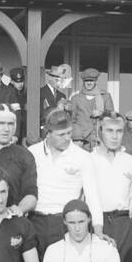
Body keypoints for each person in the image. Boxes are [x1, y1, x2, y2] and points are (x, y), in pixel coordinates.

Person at [30, 108, 104, 252]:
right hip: (35, 221)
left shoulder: (83, 157)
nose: (67, 138)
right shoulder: (33, 153)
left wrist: (98, 230)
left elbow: (92, 196)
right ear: (48, 133)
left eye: (69, 133)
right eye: (61, 134)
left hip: (64, 223)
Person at [88, 112, 132, 250]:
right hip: (97, 223)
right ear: (100, 131)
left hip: (124, 223)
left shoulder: (131, 161)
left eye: (119, 131)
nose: (115, 136)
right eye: (109, 131)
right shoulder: (89, 159)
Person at [69, 69, 113, 149]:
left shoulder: (105, 96)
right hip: (82, 140)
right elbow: (72, 120)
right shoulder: (76, 98)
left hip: (100, 138)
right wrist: (77, 137)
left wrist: (102, 113)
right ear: (83, 82)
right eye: (86, 81)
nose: (89, 83)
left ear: (96, 81)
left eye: (91, 81)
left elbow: (112, 116)